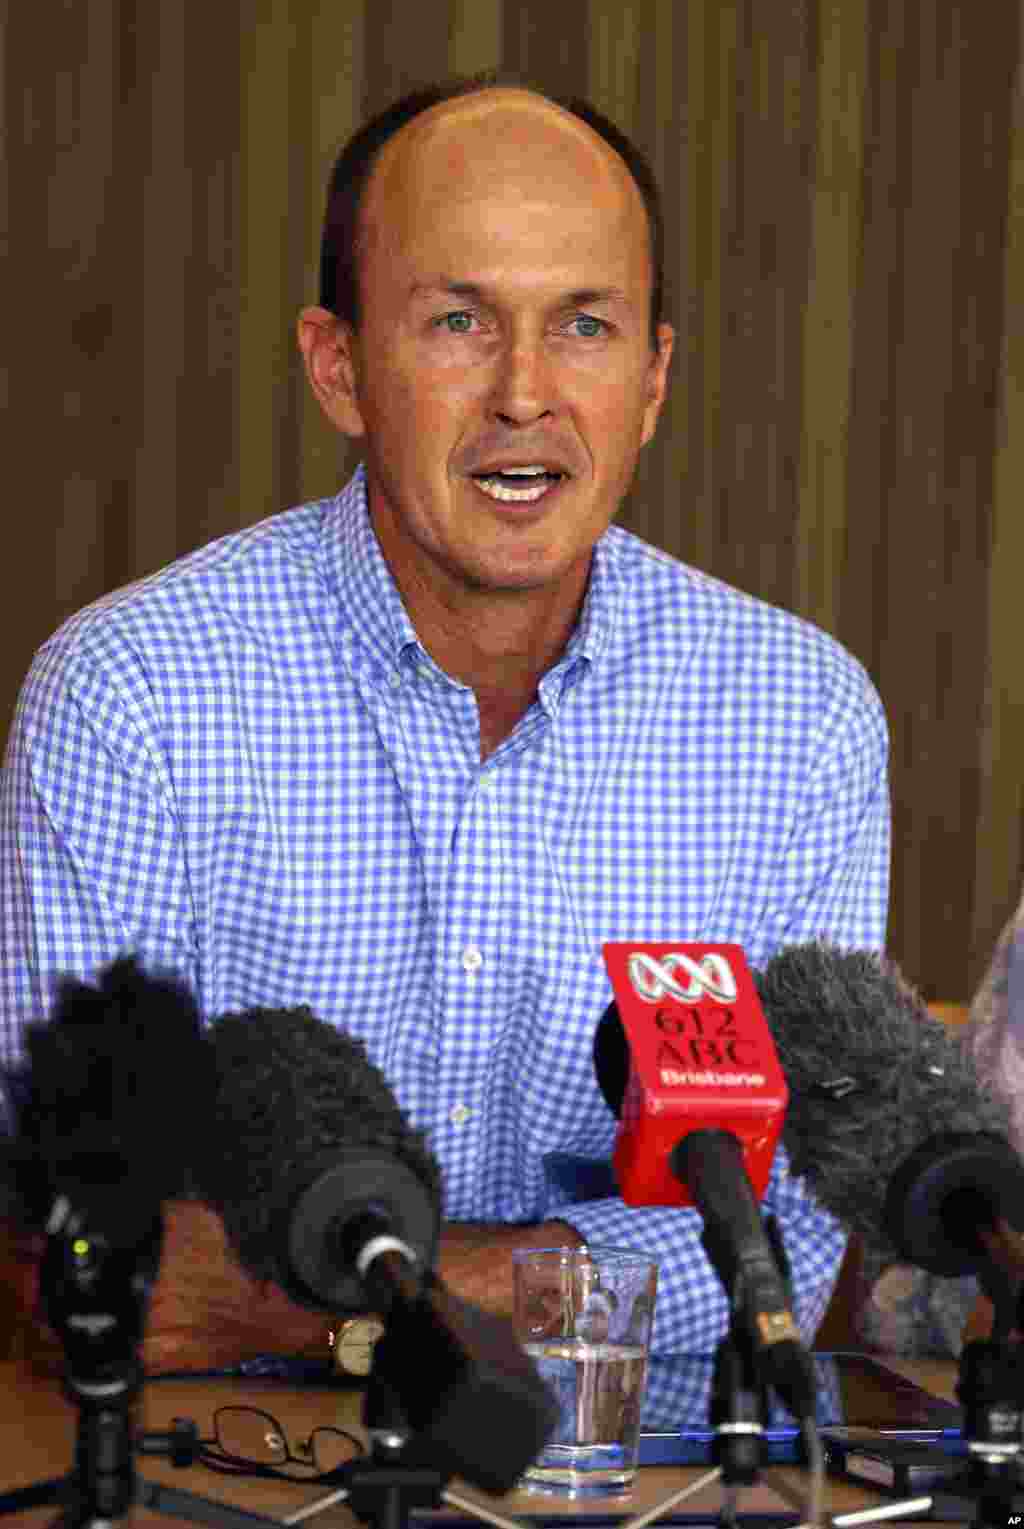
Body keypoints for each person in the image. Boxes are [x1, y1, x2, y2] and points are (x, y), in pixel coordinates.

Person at [0, 72, 890, 1392]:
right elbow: (79, 1255)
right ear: (339, 367)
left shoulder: (800, 720)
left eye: (584, 325)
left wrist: (319, 1301)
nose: (525, 395)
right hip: (220, 1470)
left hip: (639, 1475)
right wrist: (580, 1271)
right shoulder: (135, 695)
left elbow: (782, 1257)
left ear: (653, 380)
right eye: (460, 321)